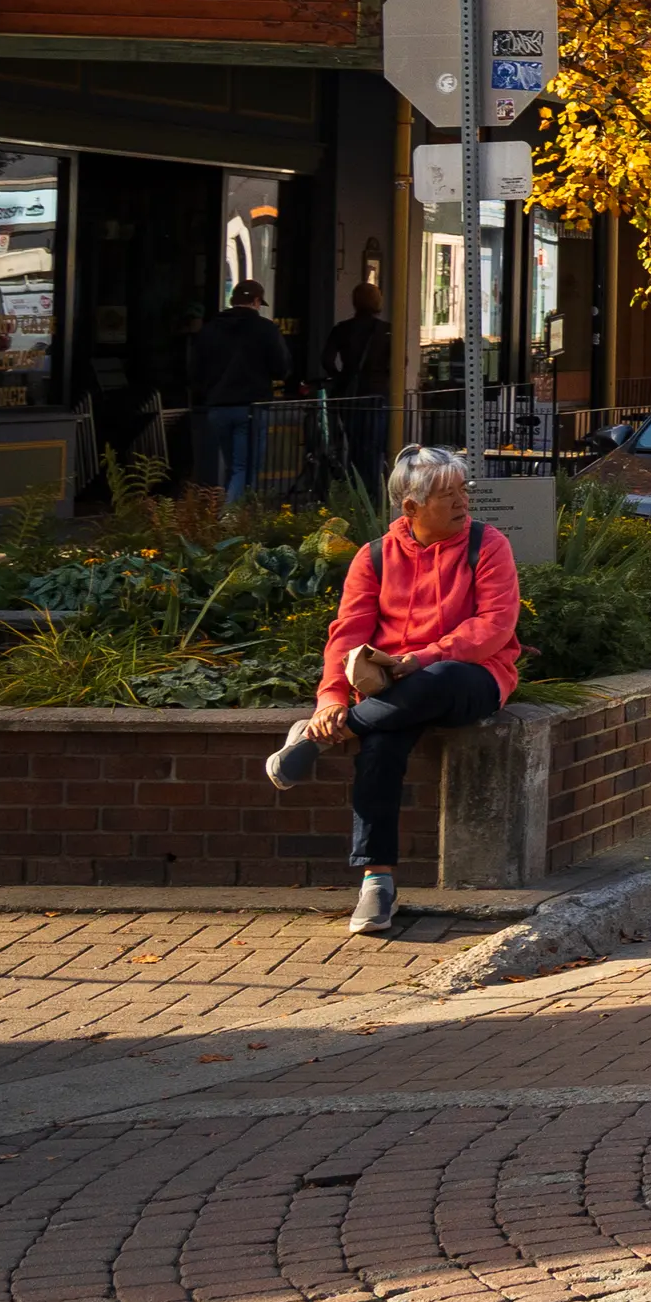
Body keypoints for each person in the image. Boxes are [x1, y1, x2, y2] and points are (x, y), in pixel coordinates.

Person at [263, 446, 521, 935]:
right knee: (379, 748)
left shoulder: (488, 544)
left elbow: (494, 625)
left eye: (463, 490)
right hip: (390, 691)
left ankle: (320, 739)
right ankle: (376, 881)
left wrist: (421, 658)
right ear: (411, 508)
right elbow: (347, 635)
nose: (463, 501)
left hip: (471, 676)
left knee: (438, 679)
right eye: (449, 495)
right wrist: (332, 700)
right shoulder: (374, 556)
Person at [190, 280, 295, 504]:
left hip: (217, 407)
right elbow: (281, 368)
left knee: (233, 466)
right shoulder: (266, 329)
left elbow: (195, 369)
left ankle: (231, 512)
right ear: (256, 301)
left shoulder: (210, 329)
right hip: (251, 407)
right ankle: (233, 521)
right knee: (245, 468)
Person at [319, 280, 392, 498]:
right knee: (374, 446)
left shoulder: (342, 329)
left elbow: (327, 359)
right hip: (377, 395)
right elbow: (399, 363)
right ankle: (372, 493)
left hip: (349, 395)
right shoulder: (386, 331)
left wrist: (342, 377)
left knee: (351, 445)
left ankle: (352, 489)